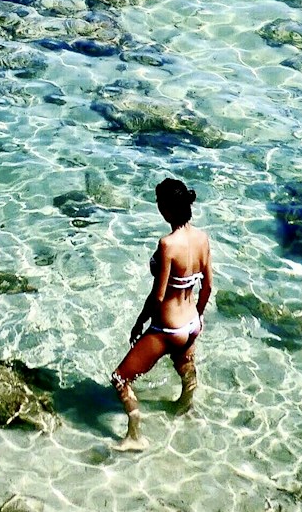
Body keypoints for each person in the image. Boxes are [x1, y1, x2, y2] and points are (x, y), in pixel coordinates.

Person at [112, 178, 211, 452]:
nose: (157, 206)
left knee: (119, 379)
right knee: (184, 366)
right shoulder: (202, 238)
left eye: (159, 201)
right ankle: (184, 407)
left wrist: (140, 321)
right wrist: (198, 317)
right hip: (191, 323)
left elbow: (158, 295)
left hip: (168, 328)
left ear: (167, 208)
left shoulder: (167, 244)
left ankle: (135, 436)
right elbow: (208, 286)